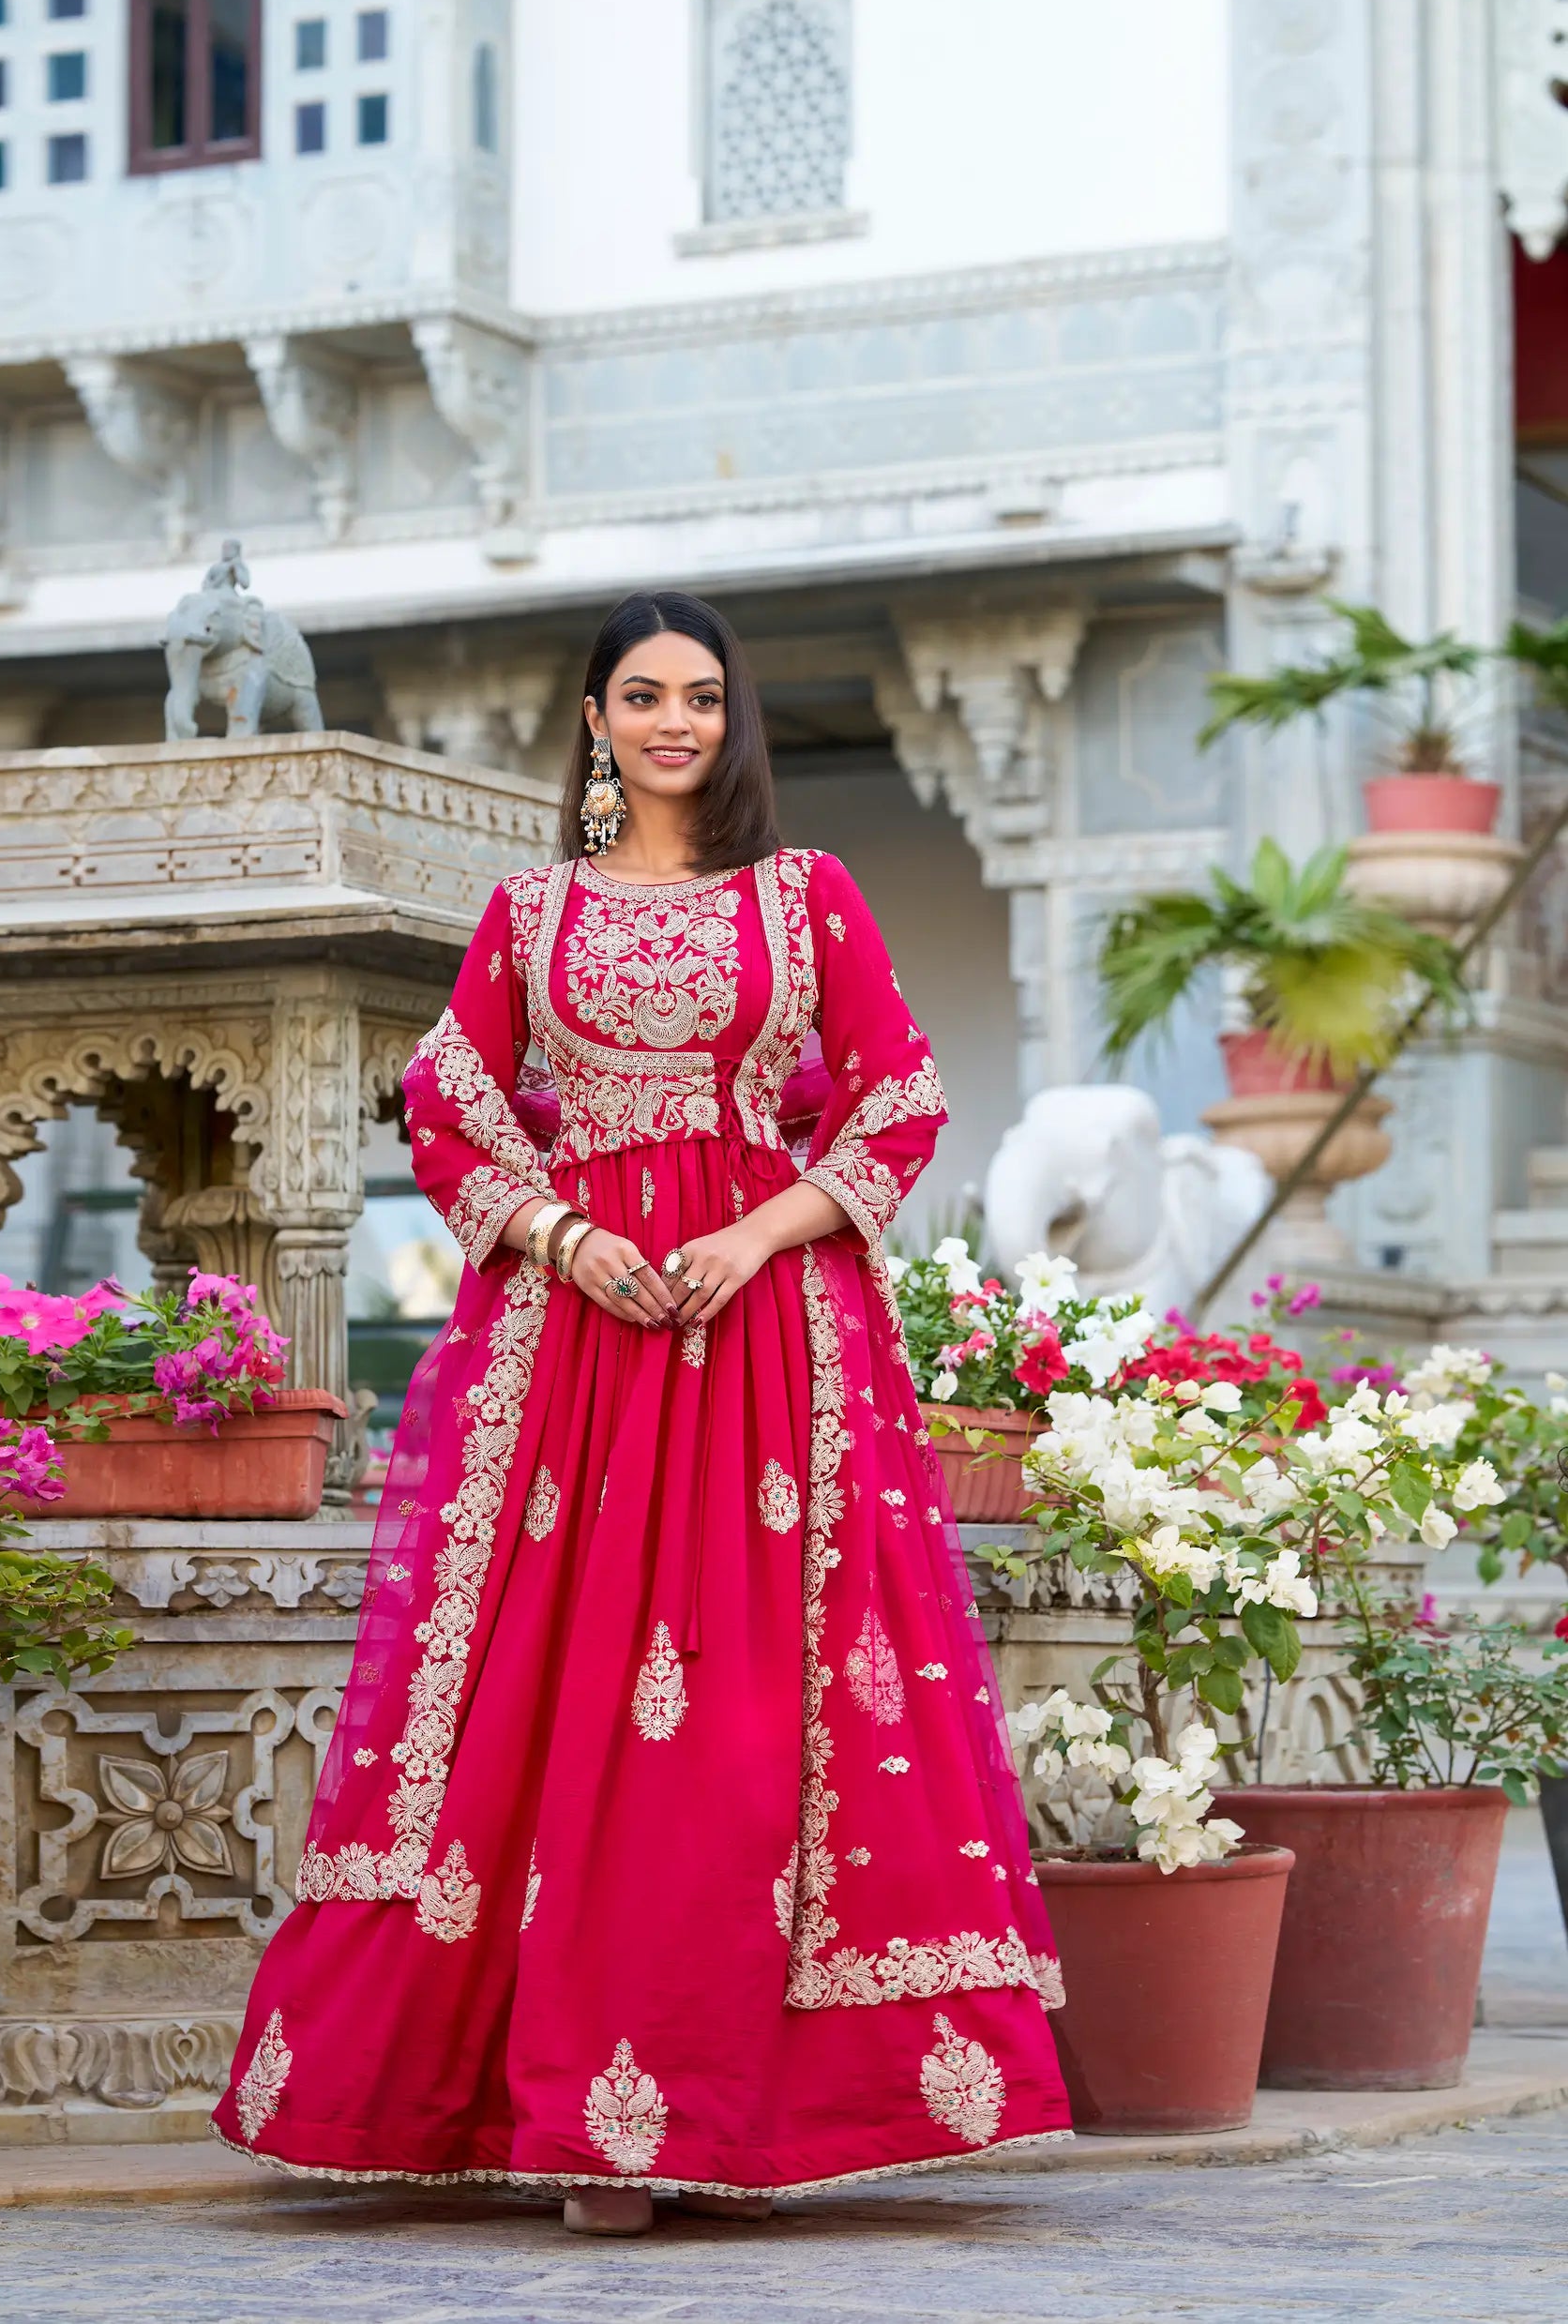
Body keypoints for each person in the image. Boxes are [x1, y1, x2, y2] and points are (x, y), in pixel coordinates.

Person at [212, 589, 1071, 2229]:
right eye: (641, 695)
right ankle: (545, 2109)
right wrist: (570, 1238)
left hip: (769, 1342)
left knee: (759, 1703)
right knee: (558, 1688)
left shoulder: (804, 897)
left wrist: (749, 1235)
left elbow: (896, 1101)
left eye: (700, 695)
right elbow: (453, 1111)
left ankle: (746, 2105)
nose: (675, 720)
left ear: (729, 717)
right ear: (594, 720)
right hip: (579, 1354)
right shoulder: (529, 916)